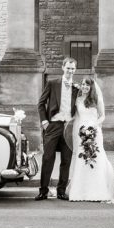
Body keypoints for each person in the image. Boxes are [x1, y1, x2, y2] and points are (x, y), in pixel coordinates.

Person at [67, 78, 114, 203]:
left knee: (96, 158)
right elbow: (75, 117)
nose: (84, 87)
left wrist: (93, 125)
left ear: (91, 87)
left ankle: (98, 190)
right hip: (82, 133)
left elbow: (102, 116)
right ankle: (80, 192)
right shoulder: (77, 100)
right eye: (83, 84)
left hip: (94, 132)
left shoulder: (97, 100)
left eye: (87, 85)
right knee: (82, 160)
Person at [36, 56, 79, 200]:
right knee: (48, 158)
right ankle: (43, 191)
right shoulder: (52, 83)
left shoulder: (77, 88)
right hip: (53, 126)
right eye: (68, 68)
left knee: (66, 160)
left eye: (73, 69)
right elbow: (41, 104)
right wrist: (44, 122)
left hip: (68, 127)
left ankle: (61, 191)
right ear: (63, 68)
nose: (70, 71)